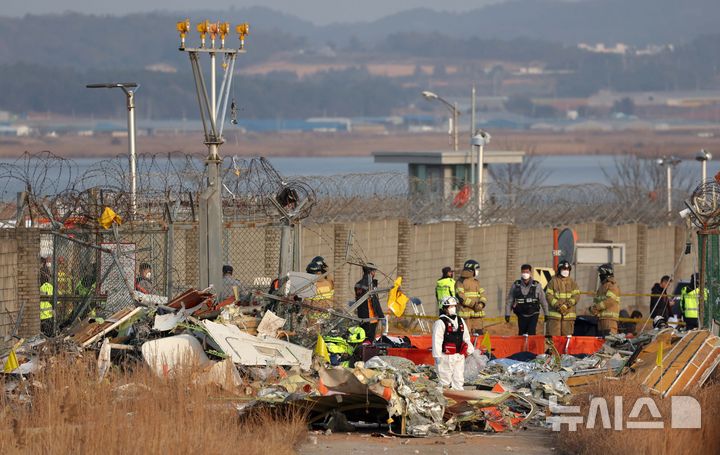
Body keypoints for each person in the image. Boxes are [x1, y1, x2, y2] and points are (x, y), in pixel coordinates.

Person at [432, 296, 474, 390]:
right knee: (445, 380)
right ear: (444, 308)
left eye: (454, 306)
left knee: (459, 379)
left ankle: (458, 396)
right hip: (445, 357)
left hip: (459, 355)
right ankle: (443, 398)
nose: (453, 308)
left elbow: (466, 337)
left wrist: (470, 348)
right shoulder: (440, 323)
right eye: (450, 306)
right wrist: (437, 356)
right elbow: (437, 340)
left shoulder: (460, 321)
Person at [505, 264, 549, 335]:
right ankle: (523, 346)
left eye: (527, 272)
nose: (525, 274)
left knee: (531, 332)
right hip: (521, 313)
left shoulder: (537, 285)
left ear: (530, 273)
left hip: (533, 313)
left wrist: (546, 314)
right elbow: (510, 300)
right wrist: (507, 314)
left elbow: (543, 300)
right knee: (522, 333)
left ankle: (531, 345)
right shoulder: (516, 285)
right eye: (523, 272)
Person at [545, 260, 581, 336]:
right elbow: (548, 296)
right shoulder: (553, 282)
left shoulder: (572, 282)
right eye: (564, 269)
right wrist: (559, 305)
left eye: (567, 269)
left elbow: (576, 296)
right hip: (555, 319)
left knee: (567, 341)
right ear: (559, 270)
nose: (566, 271)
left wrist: (567, 305)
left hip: (568, 318)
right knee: (554, 340)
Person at [455, 259, 487, 334]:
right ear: (471, 270)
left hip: (477, 317)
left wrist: (481, 304)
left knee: (479, 337)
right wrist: (474, 305)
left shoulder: (477, 282)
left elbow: (483, 294)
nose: (477, 271)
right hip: (466, 317)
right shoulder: (460, 282)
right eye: (476, 269)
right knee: (466, 337)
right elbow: (461, 297)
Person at [355, 262, 384, 341]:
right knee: (368, 340)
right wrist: (381, 316)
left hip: (365, 317)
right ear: (370, 272)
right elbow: (374, 302)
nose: (374, 273)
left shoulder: (360, 284)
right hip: (369, 318)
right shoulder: (368, 286)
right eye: (374, 271)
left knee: (364, 339)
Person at [590, 263, 621, 336]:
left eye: (601, 273)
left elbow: (610, 300)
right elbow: (597, 300)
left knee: (609, 342)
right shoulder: (601, 287)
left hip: (609, 320)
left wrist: (596, 307)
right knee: (601, 343)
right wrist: (594, 310)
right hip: (601, 319)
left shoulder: (612, 286)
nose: (600, 275)